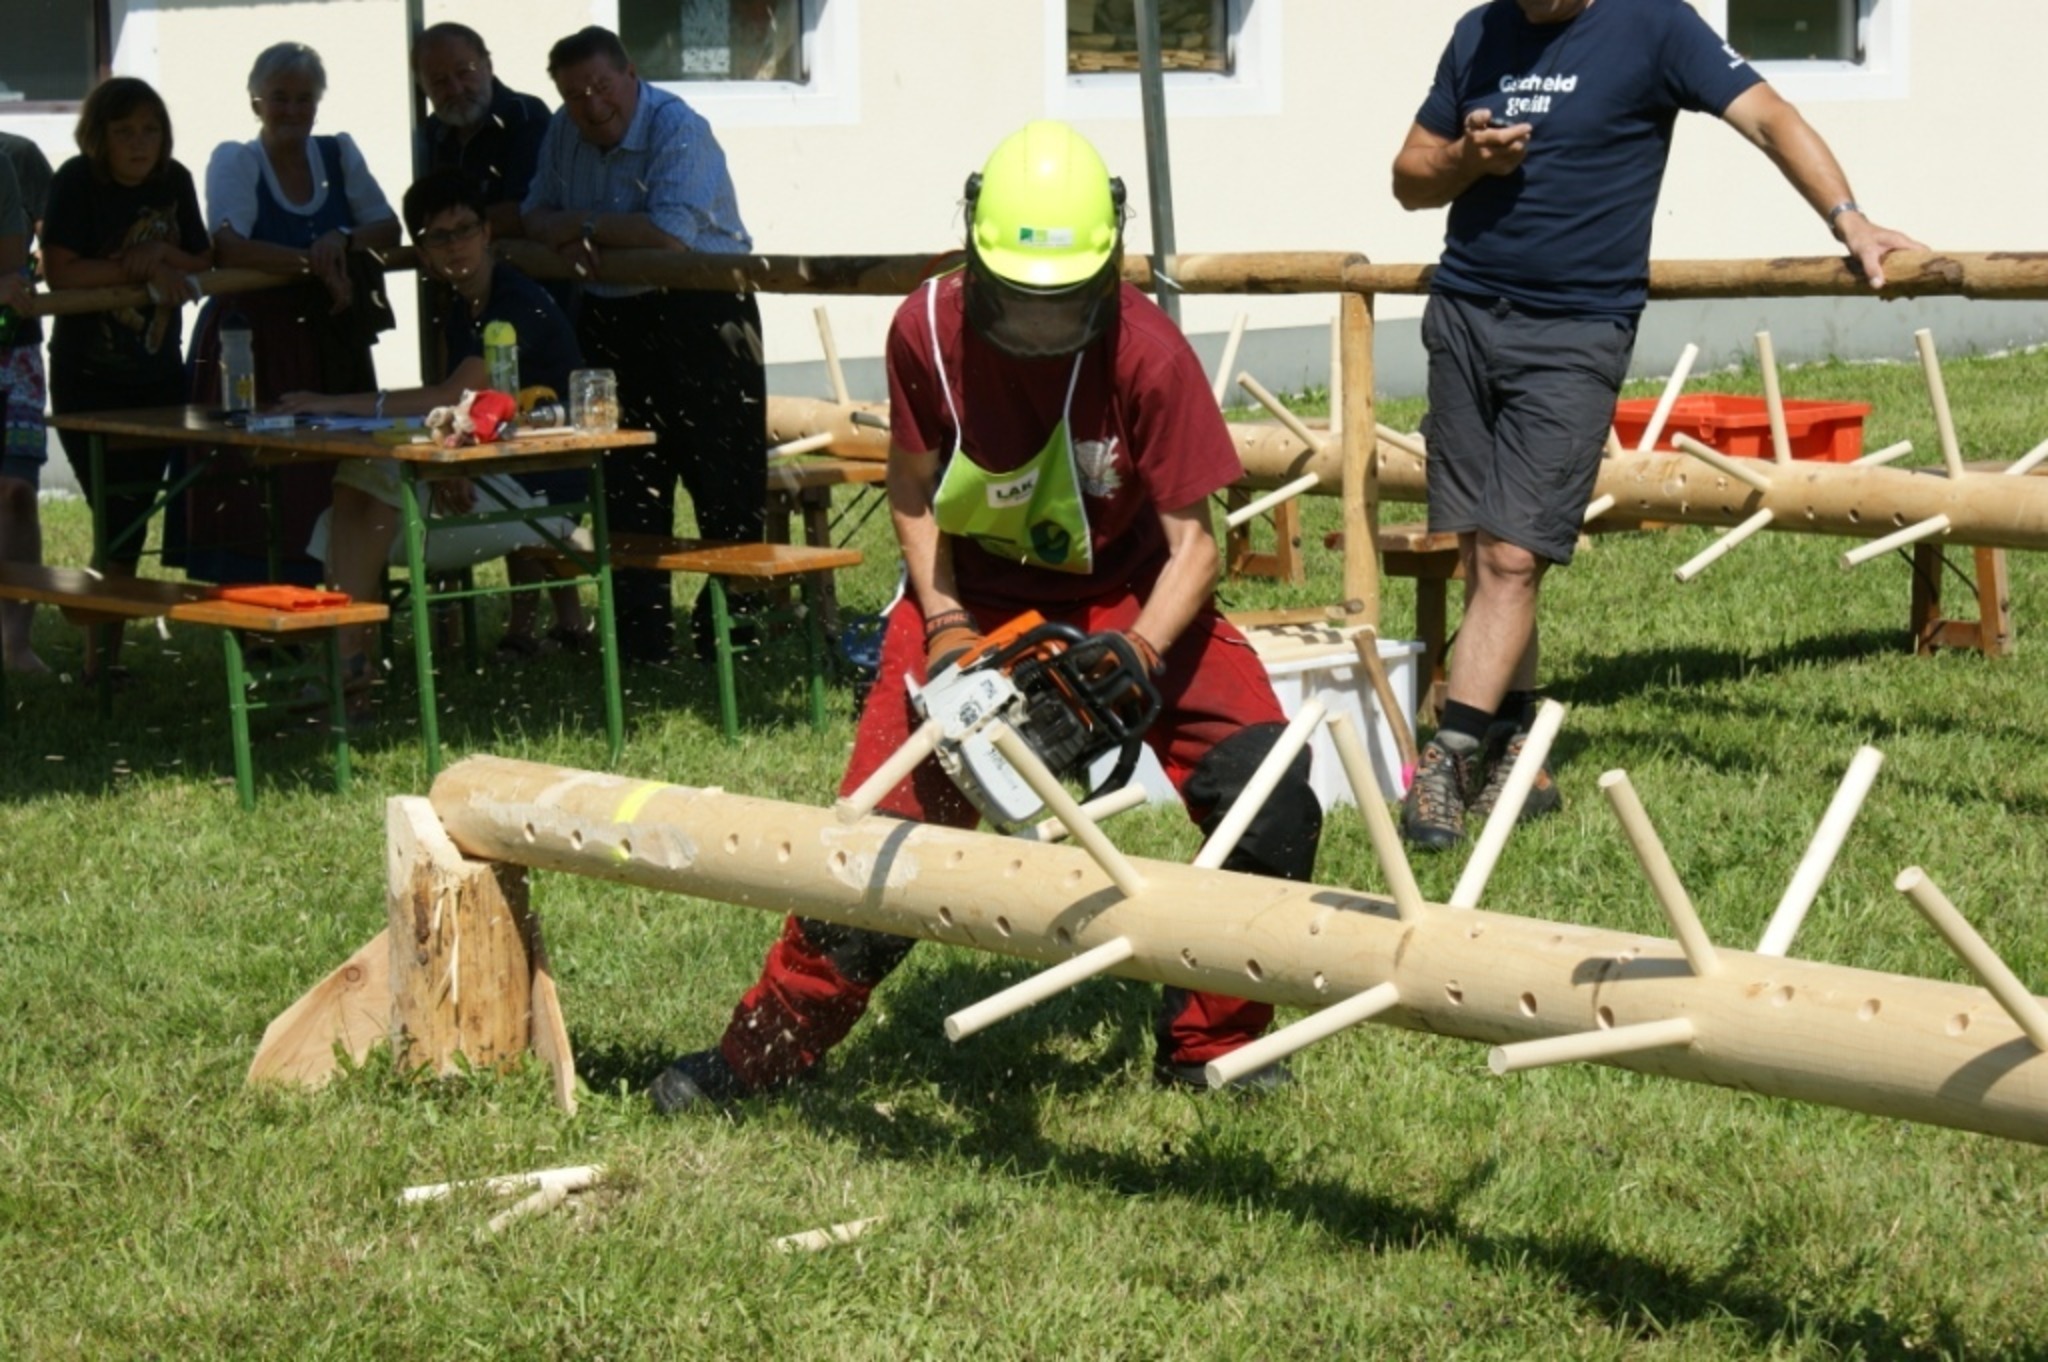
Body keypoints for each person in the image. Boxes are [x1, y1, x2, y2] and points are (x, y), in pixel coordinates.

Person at [648, 121, 1325, 1116]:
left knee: (1267, 794)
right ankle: (767, 1049)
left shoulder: (1148, 352)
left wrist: (1138, 653)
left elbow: (1196, 547)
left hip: (1133, 589)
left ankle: (1208, 1043)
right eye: (1021, 302)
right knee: (880, 849)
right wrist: (949, 623)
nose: (1043, 328)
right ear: (974, 254)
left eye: (1062, 305)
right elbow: (913, 491)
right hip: (974, 591)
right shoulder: (923, 330)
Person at [1389, 0, 1924, 850]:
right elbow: (1409, 177)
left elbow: (1771, 118)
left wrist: (1848, 217)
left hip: (1573, 329)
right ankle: (1519, 750)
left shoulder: (1656, 26)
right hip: (1461, 315)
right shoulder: (1479, 31)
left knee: (1514, 554)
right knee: (1479, 549)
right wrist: (1465, 157)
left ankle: (1450, 755)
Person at [275, 171, 590, 715]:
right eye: (438, 237)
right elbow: (463, 411)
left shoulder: (515, 302)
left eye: (464, 230)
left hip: (540, 486)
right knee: (352, 490)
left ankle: (348, 665)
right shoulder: (464, 305)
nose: (455, 246)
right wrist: (449, 464)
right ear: (422, 251)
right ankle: (351, 664)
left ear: (487, 232)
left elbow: (446, 396)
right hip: (488, 474)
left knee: (350, 512)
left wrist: (332, 403)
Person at [522, 25, 766, 666]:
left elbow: (668, 235)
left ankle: (733, 639)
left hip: (705, 316)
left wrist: (582, 227)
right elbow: (532, 214)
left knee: (723, 480)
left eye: (602, 85)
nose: (591, 103)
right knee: (627, 481)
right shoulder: (560, 129)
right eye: (575, 94)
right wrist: (570, 232)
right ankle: (641, 644)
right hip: (612, 318)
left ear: (631, 73)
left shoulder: (677, 126)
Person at [181, 41, 402, 585]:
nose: (292, 111)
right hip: (251, 344)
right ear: (255, 101)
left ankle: (337, 591)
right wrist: (314, 263)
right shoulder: (236, 159)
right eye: (280, 98)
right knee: (251, 476)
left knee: (333, 471)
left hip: (328, 340)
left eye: (304, 99)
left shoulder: (338, 153)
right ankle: (258, 608)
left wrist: (339, 237)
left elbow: (387, 226)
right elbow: (229, 245)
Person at [42, 77, 213, 679]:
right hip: (90, 378)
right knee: (113, 517)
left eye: (150, 129)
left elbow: (202, 256)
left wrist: (162, 256)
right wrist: (130, 265)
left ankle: (103, 660)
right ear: (100, 137)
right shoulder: (75, 181)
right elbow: (58, 272)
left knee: (135, 512)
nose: (140, 143)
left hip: (159, 377)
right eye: (124, 131)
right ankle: (98, 659)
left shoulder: (176, 180)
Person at [412, 22, 551, 239]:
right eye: (439, 81)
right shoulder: (434, 130)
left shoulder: (525, 115)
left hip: (521, 266)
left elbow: (525, 212)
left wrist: (446, 230)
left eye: (464, 72)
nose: (456, 89)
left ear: (488, 66)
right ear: (423, 87)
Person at [0, 153, 46, 673]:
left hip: (13, 352)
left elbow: (14, 260)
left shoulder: (8, 157)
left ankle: (16, 645)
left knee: (16, 492)